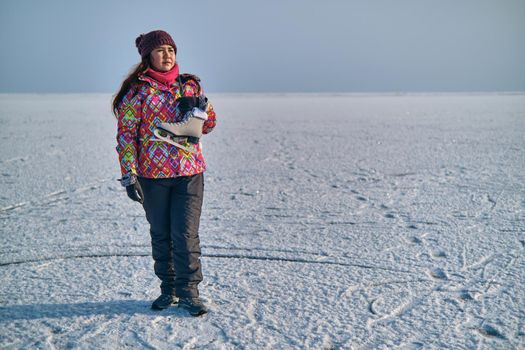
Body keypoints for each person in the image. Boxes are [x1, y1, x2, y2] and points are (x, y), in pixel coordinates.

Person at [112, 30, 216, 317]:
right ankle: (168, 289)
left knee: (185, 233)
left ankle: (189, 293)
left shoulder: (189, 86)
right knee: (161, 234)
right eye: (161, 50)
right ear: (148, 57)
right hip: (152, 176)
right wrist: (129, 174)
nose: (167, 55)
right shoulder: (137, 91)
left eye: (171, 49)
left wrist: (201, 108)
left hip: (189, 172)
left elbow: (208, 125)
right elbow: (126, 135)